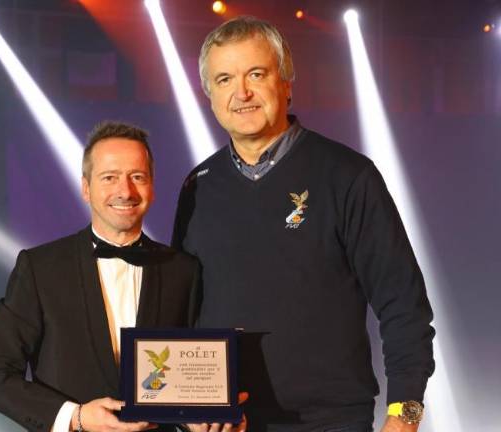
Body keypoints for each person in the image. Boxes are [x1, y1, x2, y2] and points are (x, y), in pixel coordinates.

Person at [172, 16, 435, 432]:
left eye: (256, 74)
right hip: (228, 424)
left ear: (286, 83)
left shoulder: (348, 176)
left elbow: (404, 305)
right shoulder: (197, 187)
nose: (242, 92)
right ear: (209, 95)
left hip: (331, 422)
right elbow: (181, 314)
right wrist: (189, 409)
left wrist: (405, 416)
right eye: (224, 79)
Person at [0, 122, 202, 432]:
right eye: (110, 177)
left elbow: (192, 373)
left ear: (152, 187)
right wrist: (76, 416)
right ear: (86, 188)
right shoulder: (40, 268)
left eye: (137, 177)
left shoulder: (183, 270)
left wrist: (203, 418)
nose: (125, 191)